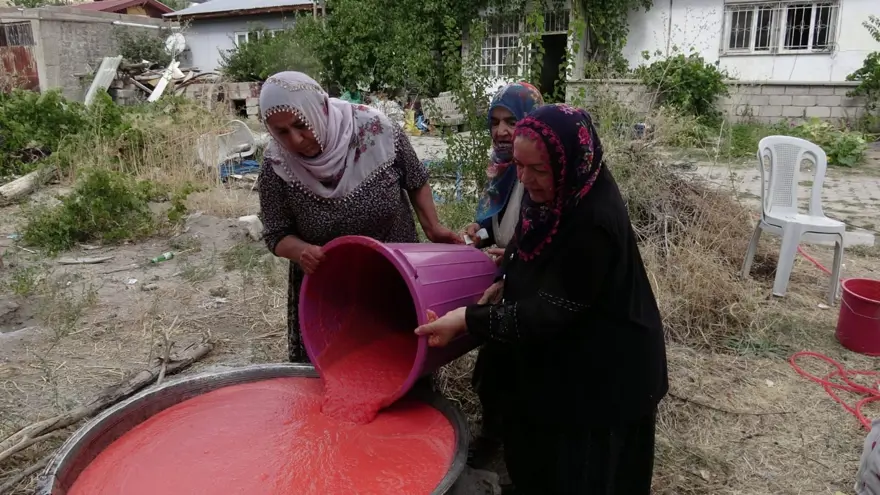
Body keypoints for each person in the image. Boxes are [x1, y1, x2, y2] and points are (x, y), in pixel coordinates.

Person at [415, 104, 668, 494]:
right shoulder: (558, 190)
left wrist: (469, 319)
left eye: (538, 169)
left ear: (569, 161)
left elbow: (547, 314)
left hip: (609, 367)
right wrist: (506, 273)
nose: (526, 179)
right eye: (519, 164)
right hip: (567, 353)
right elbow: (527, 242)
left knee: (584, 472)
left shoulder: (593, 220)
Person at [258, 72, 461, 364]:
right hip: (330, 289)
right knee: (338, 365)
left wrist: (433, 226)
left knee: (401, 360)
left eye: (301, 125)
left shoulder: (376, 129)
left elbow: (415, 178)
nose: (296, 140)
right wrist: (300, 251)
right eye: (282, 132)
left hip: (394, 272)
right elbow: (276, 234)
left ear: (320, 109)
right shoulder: (276, 164)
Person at [462, 81, 544, 469]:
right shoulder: (499, 171)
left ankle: (519, 452)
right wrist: (477, 235)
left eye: (511, 121)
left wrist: (512, 254)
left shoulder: (541, 174)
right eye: (495, 122)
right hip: (502, 284)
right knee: (492, 373)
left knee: (525, 377)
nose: (501, 131)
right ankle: (495, 436)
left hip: (533, 288)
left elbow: (540, 238)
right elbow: (496, 226)